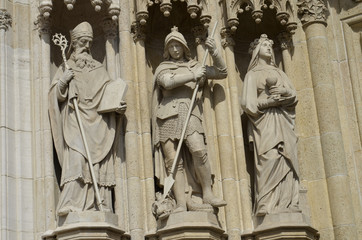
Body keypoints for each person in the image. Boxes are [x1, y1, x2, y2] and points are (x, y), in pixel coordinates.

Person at [49, 22, 126, 216]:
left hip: (98, 123)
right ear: (73, 44)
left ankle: (98, 202)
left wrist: (117, 107)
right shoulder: (66, 68)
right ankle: (71, 203)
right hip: (75, 120)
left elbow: (109, 94)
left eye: (89, 42)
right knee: (76, 159)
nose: (86, 46)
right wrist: (64, 81)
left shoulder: (99, 68)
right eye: (83, 42)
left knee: (97, 163)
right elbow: (54, 97)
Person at [152, 27, 227, 213]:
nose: (175, 50)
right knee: (172, 161)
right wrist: (193, 76)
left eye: (178, 45)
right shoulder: (163, 67)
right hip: (166, 115)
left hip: (189, 110)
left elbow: (222, 72)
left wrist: (214, 51)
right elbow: (167, 82)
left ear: (184, 47)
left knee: (198, 149)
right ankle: (180, 203)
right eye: (171, 47)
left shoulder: (196, 65)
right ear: (167, 50)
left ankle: (207, 192)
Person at [241, 34, 299, 216]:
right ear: (257, 51)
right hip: (264, 123)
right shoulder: (252, 75)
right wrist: (267, 103)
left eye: (269, 45)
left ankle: (287, 203)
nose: (268, 48)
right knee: (270, 157)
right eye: (264, 45)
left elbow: (293, 95)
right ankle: (266, 203)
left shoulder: (280, 73)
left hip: (282, 120)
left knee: (286, 159)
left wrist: (283, 92)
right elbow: (247, 103)